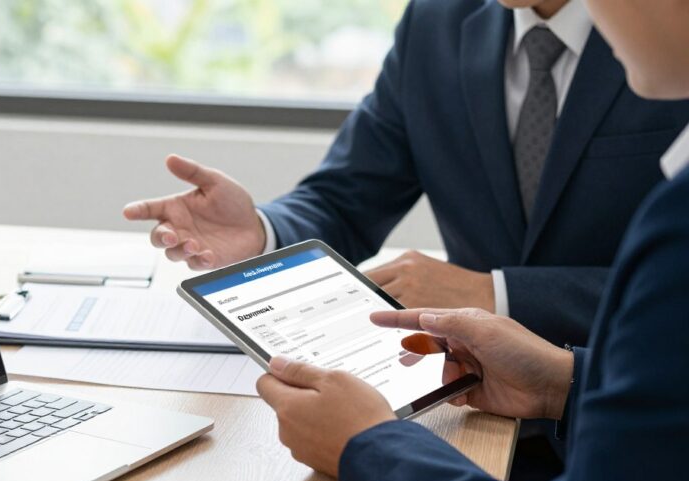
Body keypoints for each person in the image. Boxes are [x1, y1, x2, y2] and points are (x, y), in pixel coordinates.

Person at [253, 0, 689, 481]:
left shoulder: (676, 218)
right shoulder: (437, 22)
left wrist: (369, 443)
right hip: (526, 416)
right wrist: (565, 382)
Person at [123, 0, 689, 347]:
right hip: (470, 398)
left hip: (627, 399)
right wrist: (264, 232)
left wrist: (500, 295)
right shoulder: (435, 22)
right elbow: (346, 197)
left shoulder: (666, 40)